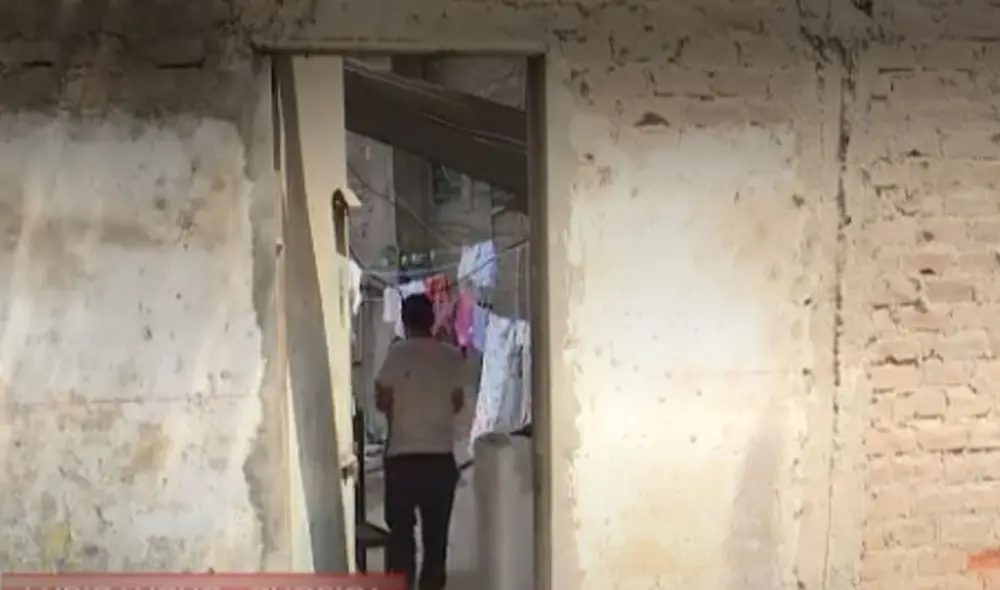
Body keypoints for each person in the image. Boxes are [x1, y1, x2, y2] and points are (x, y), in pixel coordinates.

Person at [375, 293, 468, 590]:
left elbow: (382, 400)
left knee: (401, 538)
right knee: (436, 541)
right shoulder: (452, 356)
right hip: (440, 460)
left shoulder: (397, 353)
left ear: (404, 320)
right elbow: (457, 403)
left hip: (402, 459)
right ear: (432, 320)